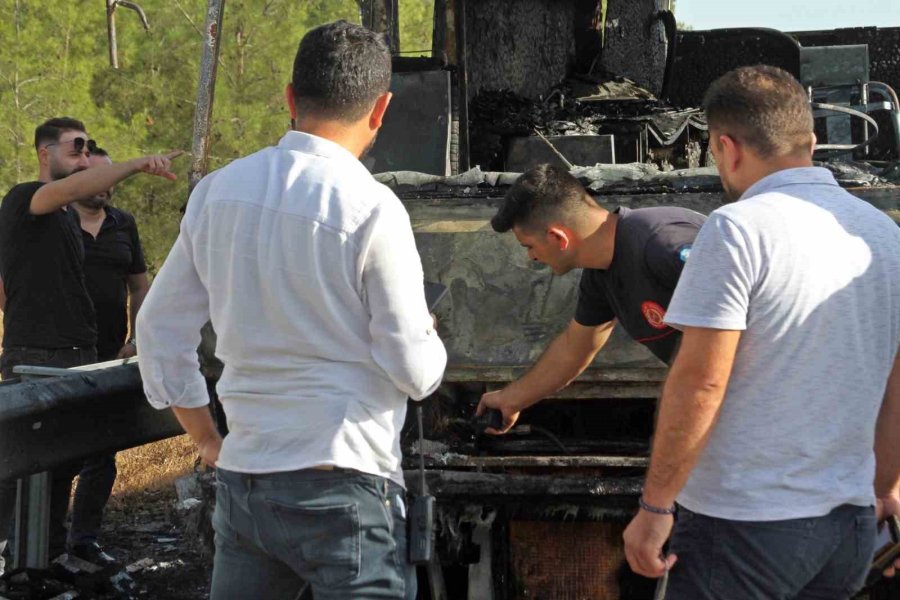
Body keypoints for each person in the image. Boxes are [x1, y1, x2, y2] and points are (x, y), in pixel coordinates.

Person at [136, 21, 447, 600]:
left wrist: (206, 439)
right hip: (344, 481)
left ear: (289, 98)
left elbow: (156, 328)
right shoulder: (375, 208)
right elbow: (413, 369)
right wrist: (430, 341)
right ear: (381, 109)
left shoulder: (215, 193)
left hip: (246, 480)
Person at [623, 65, 900, 599]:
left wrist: (656, 506)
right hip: (847, 527)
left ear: (725, 147)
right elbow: (894, 376)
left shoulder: (736, 229)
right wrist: (887, 485)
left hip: (745, 527)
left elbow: (701, 383)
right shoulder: (882, 233)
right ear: (811, 142)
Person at [0, 116, 179, 574]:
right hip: (38, 359)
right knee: (20, 474)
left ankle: (46, 560)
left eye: (86, 151)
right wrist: (138, 163)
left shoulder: (64, 219)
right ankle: (13, 562)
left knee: (60, 471)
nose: (82, 158)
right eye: (74, 149)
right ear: (45, 154)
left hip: (74, 356)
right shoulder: (26, 198)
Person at [476, 164, 705, 432]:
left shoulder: (661, 244)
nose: (531, 257)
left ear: (558, 238)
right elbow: (574, 350)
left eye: (529, 246)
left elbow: (754, 317)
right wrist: (510, 400)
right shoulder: (601, 275)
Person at [61, 147, 150, 564]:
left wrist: (138, 337)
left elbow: (139, 284)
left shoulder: (123, 224)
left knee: (102, 452)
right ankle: (40, 543)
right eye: (98, 176)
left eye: (112, 175)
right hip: (60, 353)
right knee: (57, 453)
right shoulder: (54, 223)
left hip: (111, 351)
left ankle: (85, 539)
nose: (106, 185)